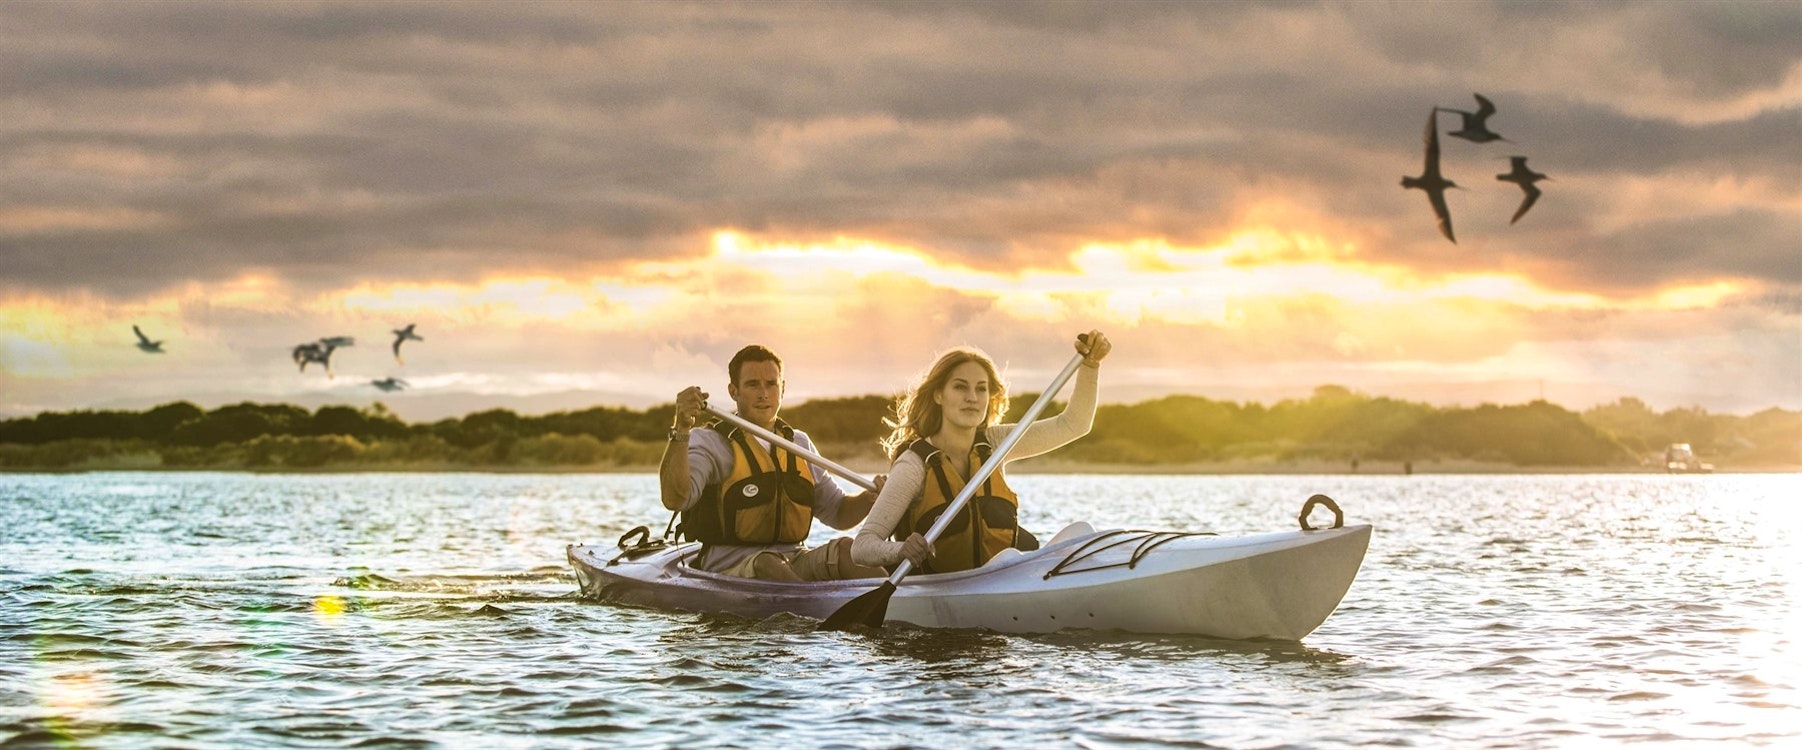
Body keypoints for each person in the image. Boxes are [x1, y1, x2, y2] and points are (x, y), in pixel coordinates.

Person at [851, 330, 1111, 574]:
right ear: (939, 395)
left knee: (1082, 531)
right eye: (960, 387)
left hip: (1003, 577)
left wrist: (1091, 365)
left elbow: (1073, 424)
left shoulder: (996, 443)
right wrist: (900, 550)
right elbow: (862, 547)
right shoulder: (913, 464)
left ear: (990, 397)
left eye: (981, 388)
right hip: (946, 588)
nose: (972, 397)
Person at [660, 344, 888, 582]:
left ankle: (893, 603)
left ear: (783, 388)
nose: (763, 394)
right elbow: (675, 499)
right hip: (730, 567)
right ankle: (809, 617)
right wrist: (681, 428)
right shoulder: (709, 442)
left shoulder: (798, 442)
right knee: (767, 563)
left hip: (793, 561)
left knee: (847, 551)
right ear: (733, 391)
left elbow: (839, 514)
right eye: (752, 384)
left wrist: (869, 498)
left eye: (771, 384)